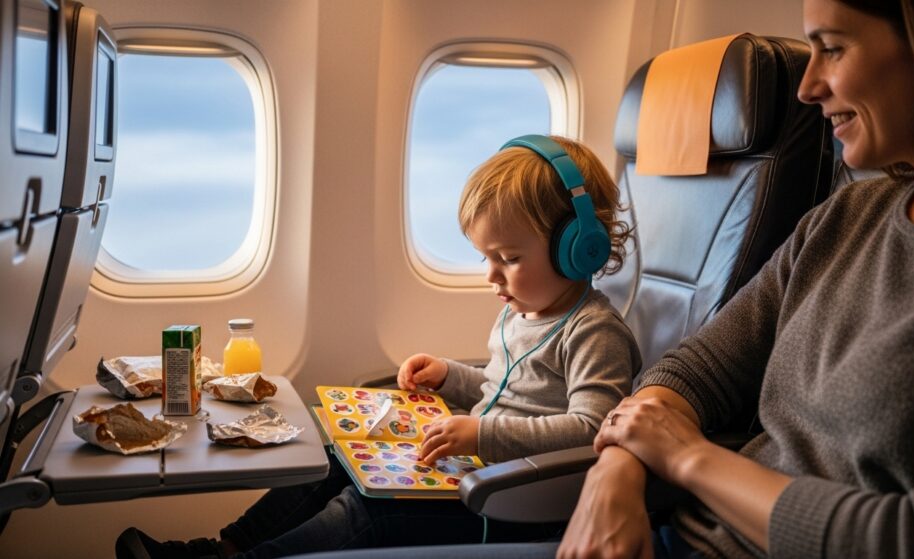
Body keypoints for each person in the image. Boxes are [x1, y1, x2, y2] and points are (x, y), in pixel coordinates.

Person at [315, 1, 914, 558]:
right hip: (670, 532)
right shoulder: (847, 217)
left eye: (833, 47)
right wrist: (618, 467)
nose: (809, 85)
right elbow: (695, 368)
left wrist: (681, 456)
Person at [115, 135, 643, 559]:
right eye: (486, 256)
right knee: (333, 461)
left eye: (507, 257)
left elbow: (594, 431)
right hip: (476, 471)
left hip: (513, 500)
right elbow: (501, 387)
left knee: (369, 512)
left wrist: (481, 431)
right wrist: (449, 376)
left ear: (578, 249)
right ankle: (223, 546)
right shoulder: (518, 311)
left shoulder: (594, 332)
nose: (491, 275)